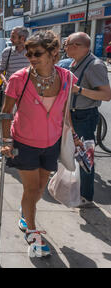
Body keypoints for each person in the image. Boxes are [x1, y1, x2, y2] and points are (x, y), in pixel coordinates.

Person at [1, 30, 82, 257]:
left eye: (37, 53)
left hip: (52, 144)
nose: (32, 58)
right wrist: (7, 141)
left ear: (53, 52)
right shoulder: (19, 78)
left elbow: (65, 113)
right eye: (29, 54)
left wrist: (73, 136)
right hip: (24, 143)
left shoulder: (66, 77)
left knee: (39, 189)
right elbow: (6, 113)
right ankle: (33, 235)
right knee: (31, 188)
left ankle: (25, 212)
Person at [65, 32, 111, 207]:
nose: (65, 47)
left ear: (77, 46)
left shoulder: (95, 65)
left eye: (67, 44)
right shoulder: (75, 62)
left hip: (84, 116)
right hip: (72, 114)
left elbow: (106, 95)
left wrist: (79, 90)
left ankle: (86, 197)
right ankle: (77, 189)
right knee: (73, 153)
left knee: (85, 157)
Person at [0, 26, 30, 160]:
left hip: (27, 93)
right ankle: (4, 147)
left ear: (23, 38)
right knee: (6, 118)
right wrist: (6, 82)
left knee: (24, 121)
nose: (11, 39)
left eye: (13, 36)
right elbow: (0, 70)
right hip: (10, 91)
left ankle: (21, 147)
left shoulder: (31, 52)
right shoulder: (7, 52)